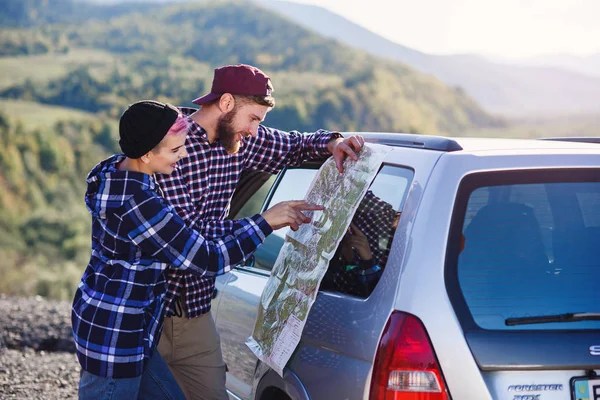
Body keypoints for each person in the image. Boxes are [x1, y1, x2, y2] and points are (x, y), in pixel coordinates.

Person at [71, 100, 321, 400]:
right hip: (116, 336)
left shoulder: (117, 170)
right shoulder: (138, 203)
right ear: (147, 154)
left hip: (131, 331)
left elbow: (191, 236)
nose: (185, 154)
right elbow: (206, 258)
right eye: (176, 150)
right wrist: (265, 222)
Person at [154, 64, 364, 399]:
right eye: (253, 119)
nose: (254, 131)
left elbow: (294, 146)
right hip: (150, 312)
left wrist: (333, 143)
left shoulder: (236, 140)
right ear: (225, 104)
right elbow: (191, 238)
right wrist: (266, 220)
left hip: (195, 312)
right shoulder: (168, 145)